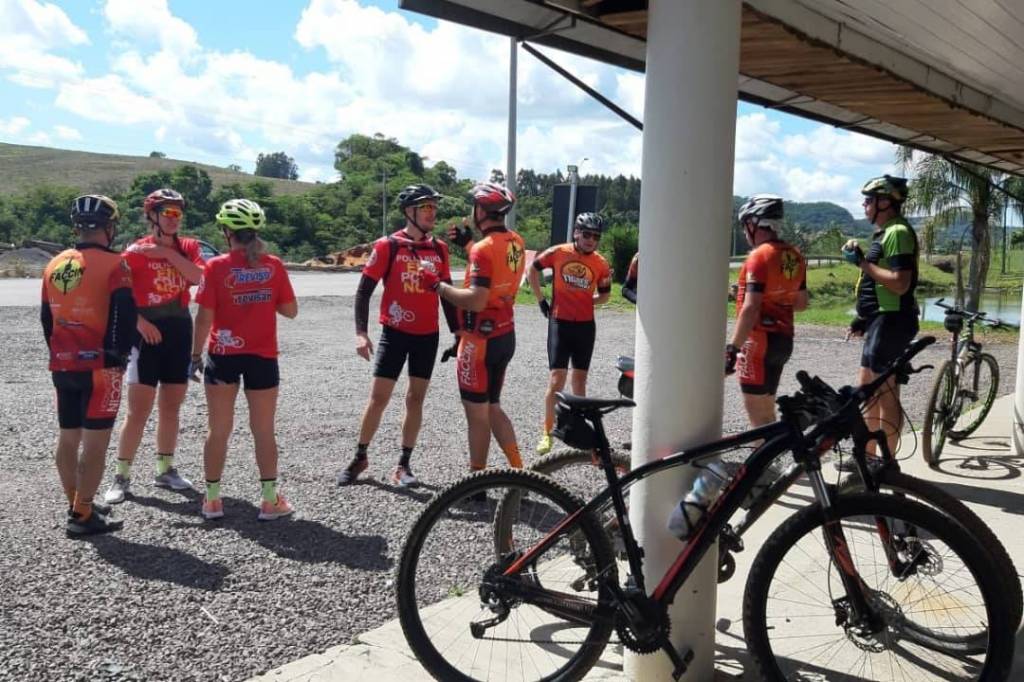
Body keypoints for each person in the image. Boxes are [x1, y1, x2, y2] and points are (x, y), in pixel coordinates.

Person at [337, 184, 458, 488]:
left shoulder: (439, 249)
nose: (432, 213)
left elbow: (446, 295)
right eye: (426, 207)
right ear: (409, 211)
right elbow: (364, 291)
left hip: (427, 335)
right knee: (379, 398)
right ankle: (360, 456)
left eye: (434, 207)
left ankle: (404, 465)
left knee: (415, 399)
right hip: (394, 332)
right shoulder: (388, 246)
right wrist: (361, 333)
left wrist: (457, 332)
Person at [191, 199, 298, 520]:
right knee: (263, 430)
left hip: (223, 354)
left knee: (218, 429)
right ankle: (269, 500)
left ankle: (212, 500)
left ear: (227, 232)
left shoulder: (215, 266)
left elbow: (203, 317)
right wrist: (263, 296)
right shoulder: (273, 265)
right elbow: (290, 311)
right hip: (262, 356)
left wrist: (195, 355)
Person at [42, 195, 136, 535]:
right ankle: (82, 515)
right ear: (109, 227)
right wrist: (119, 356)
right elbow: (125, 315)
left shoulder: (54, 264)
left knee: (68, 437)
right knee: (95, 443)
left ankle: (76, 502)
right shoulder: (116, 264)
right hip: (100, 366)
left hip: (62, 363)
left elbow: (46, 319)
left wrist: (60, 353)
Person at [418, 181, 525, 479]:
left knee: (477, 416)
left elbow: (477, 300)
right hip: (505, 334)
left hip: (479, 340)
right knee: (493, 407)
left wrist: (437, 286)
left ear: (481, 210)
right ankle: (522, 473)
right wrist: (468, 245)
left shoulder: (482, 249)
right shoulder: (516, 240)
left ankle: (476, 486)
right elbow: (496, 267)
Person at [103, 188, 203, 504]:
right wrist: (138, 323)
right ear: (152, 216)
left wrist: (167, 255)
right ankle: (121, 476)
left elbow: (199, 277)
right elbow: (115, 296)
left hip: (179, 330)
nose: (174, 218)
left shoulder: (188, 247)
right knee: (138, 410)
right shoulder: (135, 251)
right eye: (167, 213)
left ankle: (165, 469)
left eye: (178, 213)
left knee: (171, 406)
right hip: (145, 333)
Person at [842, 175, 918, 463]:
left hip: (892, 321)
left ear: (884, 202)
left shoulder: (897, 232)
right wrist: (863, 318)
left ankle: (887, 462)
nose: (864, 205)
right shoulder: (885, 233)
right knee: (867, 391)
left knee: (885, 393)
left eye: (868, 200)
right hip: (880, 320)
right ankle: (867, 457)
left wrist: (862, 262)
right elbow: (878, 282)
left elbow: (899, 283)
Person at [529, 212, 612, 454]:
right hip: (560, 323)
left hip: (585, 326)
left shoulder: (601, 263)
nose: (591, 240)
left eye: (596, 236)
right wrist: (541, 300)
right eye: (586, 234)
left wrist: (585, 300)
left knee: (580, 381)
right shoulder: (558, 252)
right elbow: (532, 270)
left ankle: (578, 431)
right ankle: (546, 433)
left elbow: (605, 295)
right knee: (557, 379)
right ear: (576, 233)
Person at [725, 195, 808, 427]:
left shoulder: (759, 256)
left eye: (745, 225)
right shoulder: (794, 255)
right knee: (767, 413)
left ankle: (764, 453)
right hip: (783, 340)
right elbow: (801, 303)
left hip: (758, 343)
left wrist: (732, 349)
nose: (744, 232)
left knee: (758, 420)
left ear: (754, 223)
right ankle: (776, 451)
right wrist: (775, 297)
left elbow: (751, 308)